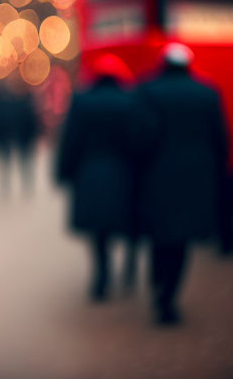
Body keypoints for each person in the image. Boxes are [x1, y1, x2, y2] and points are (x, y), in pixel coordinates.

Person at [137, 42, 229, 325]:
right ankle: (169, 295)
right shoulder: (208, 93)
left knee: (159, 235)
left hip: (156, 177)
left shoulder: (147, 91)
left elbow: (139, 137)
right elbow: (220, 140)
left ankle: (157, 283)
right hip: (195, 179)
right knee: (182, 239)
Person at [56, 54, 146, 301]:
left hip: (90, 172)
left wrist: (64, 172)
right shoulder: (131, 101)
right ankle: (129, 269)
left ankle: (102, 276)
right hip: (124, 173)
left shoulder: (83, 101)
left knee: (98, 230)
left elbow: (70, 141)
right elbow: (139, 141)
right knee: (127, 223)